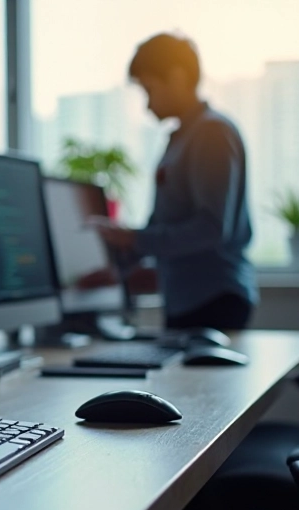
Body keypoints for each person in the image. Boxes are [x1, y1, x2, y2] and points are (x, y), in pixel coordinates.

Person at [88, 33, 257, 331]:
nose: (147, 105)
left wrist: (134, 238)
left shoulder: (212, 133)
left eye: (149, 89)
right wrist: (121, 261)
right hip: (188, 299)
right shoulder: (181, 138)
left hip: (212, 300)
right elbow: (164, 223)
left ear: (177, 78)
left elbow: (211, 228)